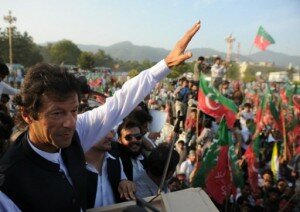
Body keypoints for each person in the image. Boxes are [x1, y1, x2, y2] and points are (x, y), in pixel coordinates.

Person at [0, 21, 201, 211]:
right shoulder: (8, 184)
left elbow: (121, 101)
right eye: (57, 113)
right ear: (27, 114)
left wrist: (165, 64)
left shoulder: (76, 131)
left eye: (74, 110)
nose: (69, 123)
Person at [85, 130, 135, 208]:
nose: (110, 136)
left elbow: (123, 180)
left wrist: (125, 184)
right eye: (103, 130)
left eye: (111, 130)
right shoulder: (69, 167)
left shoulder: (115, 160)